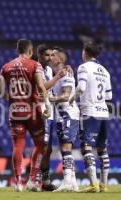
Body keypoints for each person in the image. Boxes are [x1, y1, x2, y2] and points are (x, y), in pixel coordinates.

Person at [0, 39, 51, 192]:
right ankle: (32, 179)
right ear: (30, 51)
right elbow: (40, 86)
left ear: (17, 50)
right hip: (33, 111)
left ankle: (18, 181)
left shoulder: (6, 66)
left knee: (18, 145)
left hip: (15, 111)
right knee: (40, 144)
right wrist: (48, 105)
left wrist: (8, 97)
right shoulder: (34, 65)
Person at [69, 42, 112, 192]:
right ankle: (103, 185)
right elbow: (109, 96)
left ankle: (93, 184)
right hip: (104, 112)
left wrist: (71, 99)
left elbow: (81, 88)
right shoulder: (105, 71)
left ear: (85, 52)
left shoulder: (83, 67)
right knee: (102, 149)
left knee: (86, 146)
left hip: (89, 111)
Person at [36, 44, 67, 191]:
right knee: (42, 147)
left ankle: (45, 180)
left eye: (51, 55)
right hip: (41, 111)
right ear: (39, 55)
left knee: (47, 149)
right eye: (47, 55)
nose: (49, 58)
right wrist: (57, 77)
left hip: (50, 111)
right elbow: (42, 87)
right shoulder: (36, 68)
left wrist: (67, 69)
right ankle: (35, 179)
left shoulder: (48, 69)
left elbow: (60, 66)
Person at [49, 50, 79, 192]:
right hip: (62, 115)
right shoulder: (57, 75)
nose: (50, 56)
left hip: (68, 113)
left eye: (53, 54)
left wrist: (50, 99)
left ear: (60, 59)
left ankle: (67, 180)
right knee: (64, 148)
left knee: (66, 148)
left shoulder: (66, 74)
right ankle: (73, 182)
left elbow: (66, 95)